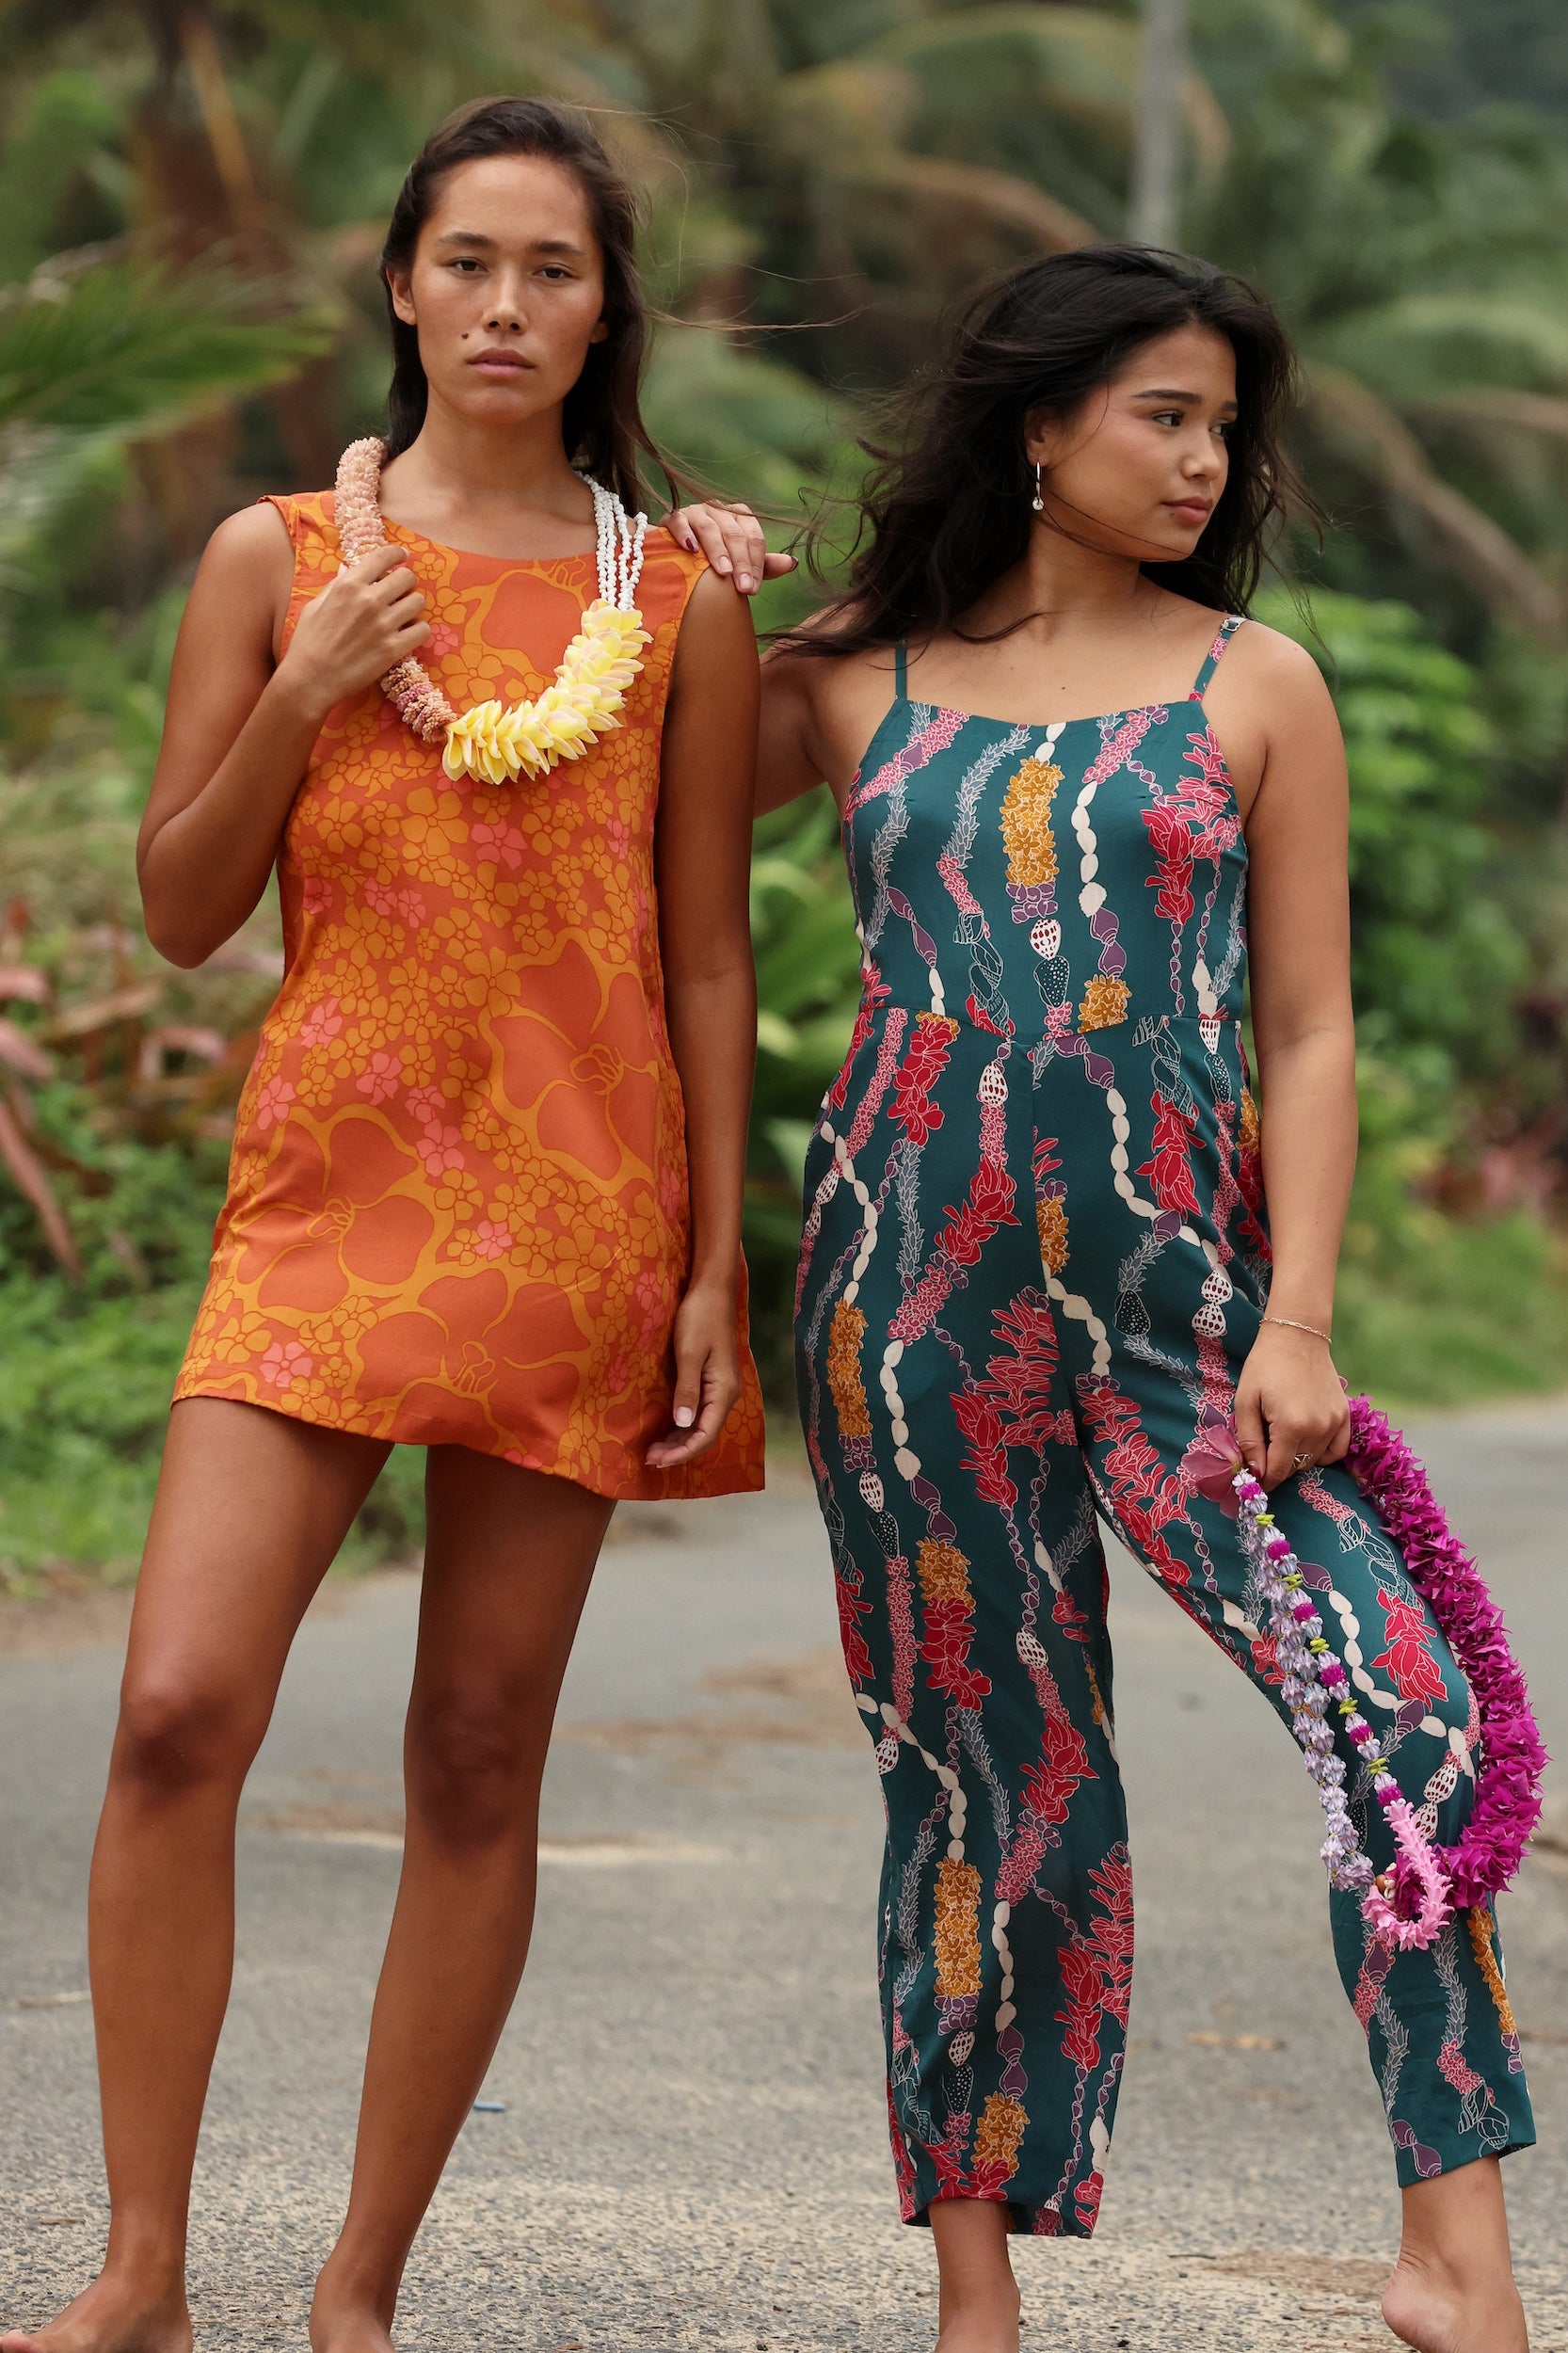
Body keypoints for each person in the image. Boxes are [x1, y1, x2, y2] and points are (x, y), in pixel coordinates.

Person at [675, 246, 1536, 2353]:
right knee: (982, 1767)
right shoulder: (851, 673)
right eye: (1163, 411)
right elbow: (623, 806)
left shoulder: (1255, 684)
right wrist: (689, 593)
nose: (1203, 456)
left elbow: (1310, 1031)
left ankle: (1454, 2255)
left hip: (1187, 1304)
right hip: (905, 1296)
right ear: (1040, 425)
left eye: (1222, 424)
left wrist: (1301, 1316)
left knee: (1401, 1711)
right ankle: (978, 2292)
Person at [2, 95, 763, 2353]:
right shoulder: (274, 559)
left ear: (602, 304)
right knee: (169, 1708)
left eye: (551, 267)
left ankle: (357, 2285)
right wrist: (313, 686)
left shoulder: (680, 598)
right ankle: (142, 2267)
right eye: (466, 262)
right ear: (400, 284)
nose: (506, 304)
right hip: (325, 1198)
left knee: (470, 1750)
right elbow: (175, 904)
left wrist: (717, 1254)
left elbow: (706, 948)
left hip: (580, 1206)